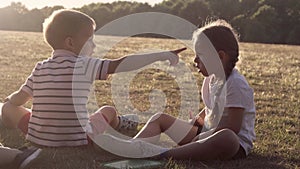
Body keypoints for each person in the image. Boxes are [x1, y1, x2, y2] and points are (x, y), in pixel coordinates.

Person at [0, 9, 186, 147]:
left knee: (8, 107)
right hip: (78, 139)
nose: (94, 45)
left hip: (38, 137)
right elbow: (121, 63)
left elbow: (18, 99)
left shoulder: (40, 67)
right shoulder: (85, 64)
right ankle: (120, 122)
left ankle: (6, 125)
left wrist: (10, 101)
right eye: (90, 40)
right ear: (71, 43)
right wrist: (159, 54)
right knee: (108, 110)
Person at [95, 19, 256, 161]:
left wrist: (203, 136)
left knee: (227, 137)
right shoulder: (210, 80)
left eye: (200, 55)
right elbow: (209, 110)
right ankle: (132, 148)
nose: (195, 60)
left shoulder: (236, 84)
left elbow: (233, 127)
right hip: (204, 135)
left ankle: (165, 153)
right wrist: (193, 124)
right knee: (160, 118)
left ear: (220, 56)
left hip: (231, 144)